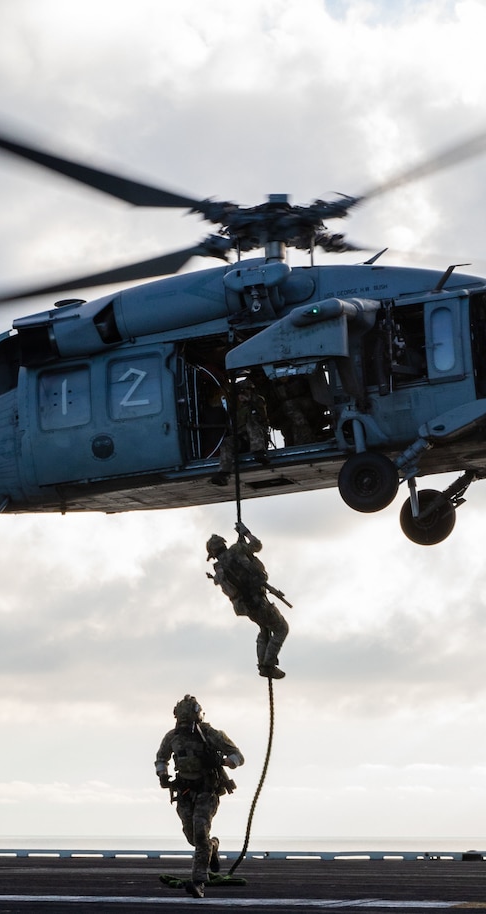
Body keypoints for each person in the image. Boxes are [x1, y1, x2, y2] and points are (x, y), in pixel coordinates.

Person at [155, 695, 244, 898]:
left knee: (200, 832)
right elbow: (161, 758)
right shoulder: (172, 737)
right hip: (185, 793)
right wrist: (162, 774)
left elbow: (238, 756)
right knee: (192, 837)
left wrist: (225, 762)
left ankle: (199, 882)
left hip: (207, 790)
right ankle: (213, 846)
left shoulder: (211, 734)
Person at [206, 522, 289, 679]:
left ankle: (263, 663)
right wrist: (246, 532)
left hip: (246, 606)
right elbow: (257, 545)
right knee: (281, 629)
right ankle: (268, 665)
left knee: (264, 629)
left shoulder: (219, 569)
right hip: (258, 601)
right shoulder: (236, 551)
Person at [210, 374, 269, 485]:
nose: (242, 395)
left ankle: (260, 453)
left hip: (258, 438)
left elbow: (261, 415)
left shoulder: (258, 401)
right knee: (227, 442)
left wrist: (249, 401)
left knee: (251, 424)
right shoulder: (236, 408)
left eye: (245, 391)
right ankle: (224, 474)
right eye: (240, 393)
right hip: (243, 440)